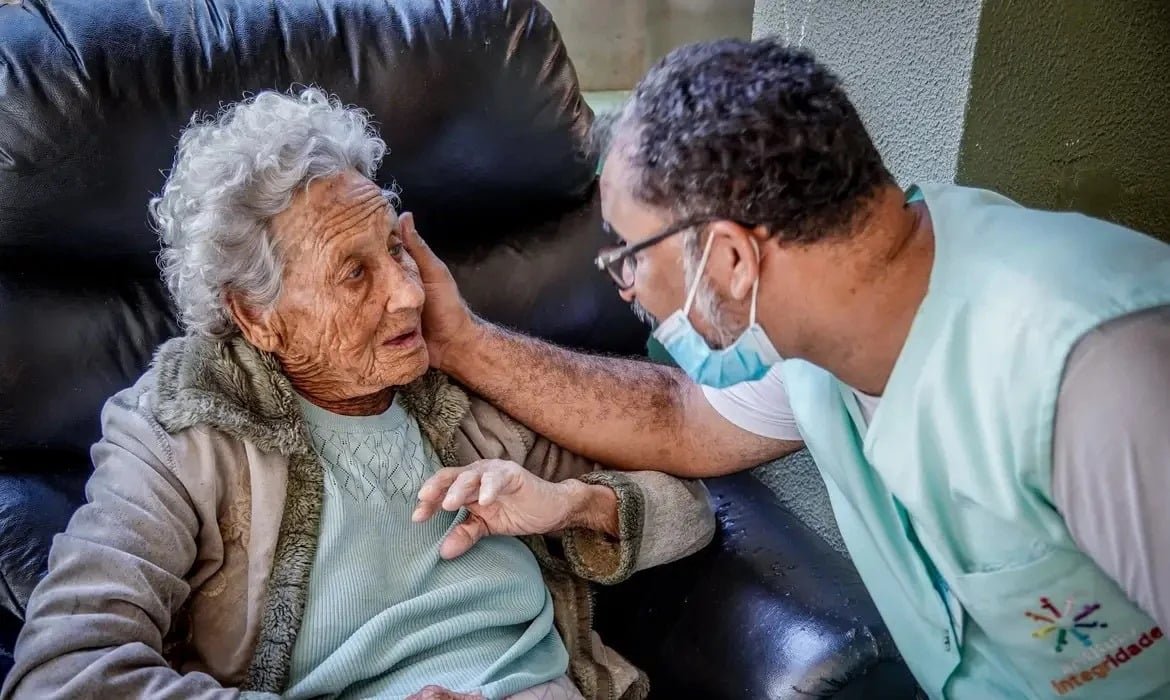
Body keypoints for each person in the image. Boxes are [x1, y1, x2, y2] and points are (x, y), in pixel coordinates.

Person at [405, 38, 1170, 699]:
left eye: (630, 255)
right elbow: (681, 420)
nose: (625, 285)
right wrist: (463, 340)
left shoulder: (1101, 376)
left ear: (732, 258)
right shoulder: (824, 326)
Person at [0, 88, 715, 700]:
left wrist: (570, 505)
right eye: (354, 273)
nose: (410, 294)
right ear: (256, 315)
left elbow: (694, 509)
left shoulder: (454, 388)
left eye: (395, 249)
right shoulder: (184, 425)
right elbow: (63, 671)